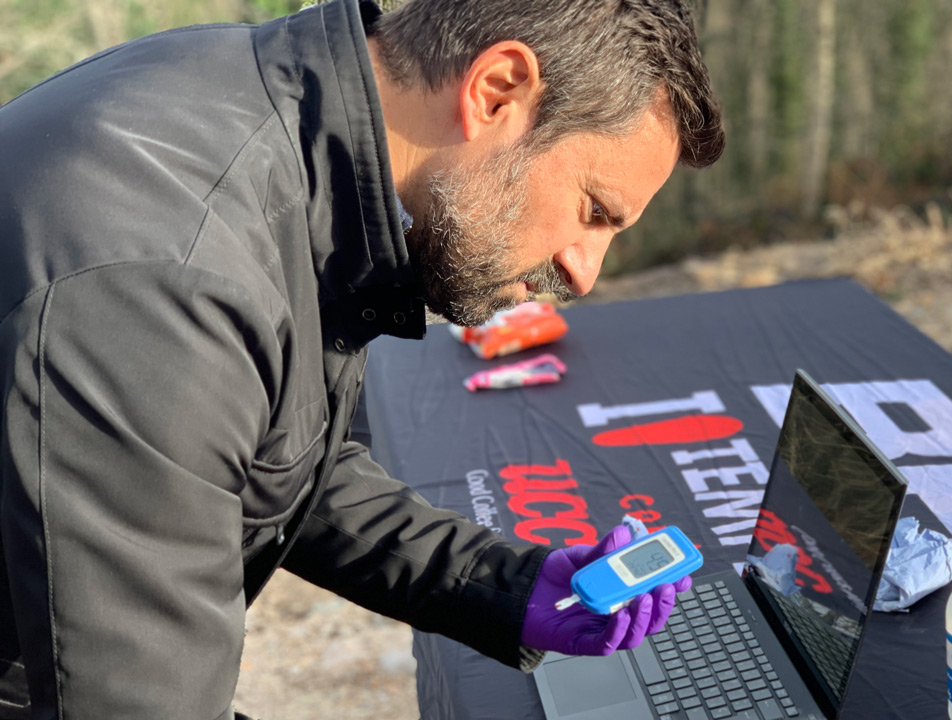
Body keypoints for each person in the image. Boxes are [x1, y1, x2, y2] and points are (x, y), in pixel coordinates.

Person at [0, 0, 724, 717]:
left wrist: (503, 584)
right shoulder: (167, 285)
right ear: (497, 89)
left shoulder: (281, 115)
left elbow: (255, 452)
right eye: (594, 210)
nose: (585, 270)